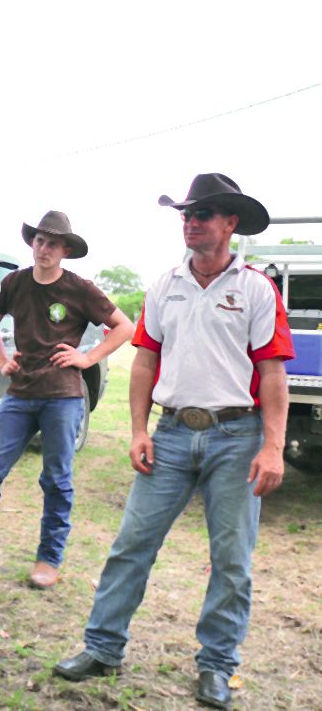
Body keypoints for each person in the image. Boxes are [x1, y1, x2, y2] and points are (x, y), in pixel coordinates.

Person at [54, 174, 292, 710]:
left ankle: (216, 666)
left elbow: (272, 373)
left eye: (202, 214)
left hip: (237, 435)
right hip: (172, 434)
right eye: (186, 214)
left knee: (232, 559)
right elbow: (144, 360)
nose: (191, 222)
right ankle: (102, 647)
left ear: (229, 223)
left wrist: (272, 446)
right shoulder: (165, 285)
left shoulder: (256, 288)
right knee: (132, 544)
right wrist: (138, 430)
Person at [0, 211, 133, 588]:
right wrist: (3, 361)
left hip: (63, 398)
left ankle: (48, 561)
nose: (44, 248)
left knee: (56, 480)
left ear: (65, 250)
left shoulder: (80, 288)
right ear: (32, 244)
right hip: (20, 395)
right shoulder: (15, 283)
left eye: (53, 243)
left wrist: (86, 358)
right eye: (39, 240)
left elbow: (124, 327)